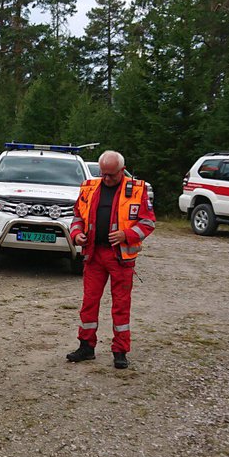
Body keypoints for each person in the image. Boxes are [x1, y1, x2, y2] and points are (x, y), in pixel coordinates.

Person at [65, 150, 155, 370]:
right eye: (103, 174)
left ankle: (120, 350)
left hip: (120, 258)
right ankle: (86, 346)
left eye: (111, 175)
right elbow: (77, 216)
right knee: (89, 303)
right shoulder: (90, 187)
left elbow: (148, 222)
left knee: (121, 306)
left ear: (122, 171)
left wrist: (127, 235)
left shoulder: (137, 190)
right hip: (94, 255)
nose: (106, 179)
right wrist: (77, 234)